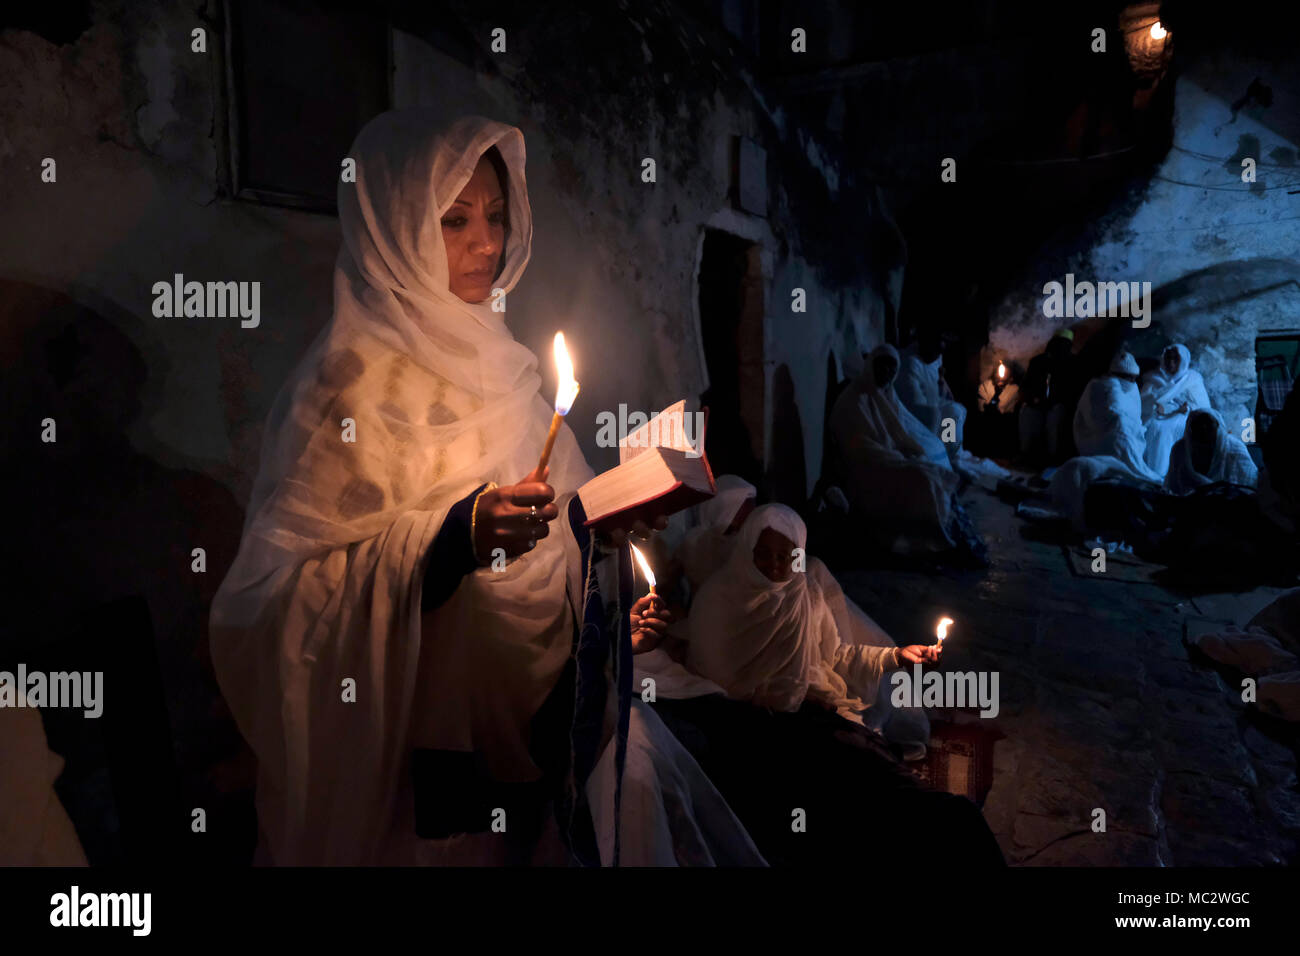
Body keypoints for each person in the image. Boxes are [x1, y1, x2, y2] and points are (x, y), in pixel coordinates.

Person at [208, 112, 754, 867]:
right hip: (411, 790)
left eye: (497, 216)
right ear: (393, 226)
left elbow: (565, 516)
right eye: (455, 219)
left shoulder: (504, 367)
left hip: (536, 735)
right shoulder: (346, 390)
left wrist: (613, 525)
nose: (487, 243)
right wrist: (450, 542)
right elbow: (272, 613)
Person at [639, 504, 1004, 866]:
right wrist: (768, 700)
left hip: (812, 717)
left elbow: (836, 657)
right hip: (755, 732)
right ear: (746, 548)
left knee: (904, 795)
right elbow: (714, 685)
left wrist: (896, 657)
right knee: (836, 800)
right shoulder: (718, 600)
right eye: (763, 554)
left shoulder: (805, 595)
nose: (775, 566)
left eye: (786, 556)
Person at [829, 345, 985, 560]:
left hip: (890, 459)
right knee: (923, 478)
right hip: (869, 468)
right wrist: (898, 459)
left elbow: (900, 432)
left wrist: (913, 452)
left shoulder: (887, 395)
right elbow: (859, 447)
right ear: (871, 366)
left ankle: (946, 538)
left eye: (892, 369)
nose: (887, 373)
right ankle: (928, 544)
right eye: (882, 367)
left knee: (933, 471)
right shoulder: (855, 399)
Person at [1073, 350, 1162, 483]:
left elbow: (1134, 414)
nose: (1131, 381)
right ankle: (1132, 471)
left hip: (1126, 432)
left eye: (1133, 377)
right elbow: (1102, 415)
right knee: (1120, 429)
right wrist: (1123, 423)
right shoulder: (1100, 385)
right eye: (1127, 377)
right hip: (1097, 435)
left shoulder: (1131, 386)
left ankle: (1134, 468)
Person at [1141, 344, 1210, 477]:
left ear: (1183, 360)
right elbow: (1143, 401)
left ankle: (1163, 472)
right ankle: (1151, 471)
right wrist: (1156, 406)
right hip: (1156, 415)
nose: (1171, 362)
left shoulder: (1192, 379)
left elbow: (1203, 406)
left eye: (1175, 359)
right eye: (1168, 358)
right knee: (1153, 425)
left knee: (1165, 428)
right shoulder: (1153, 378)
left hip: (1184, 416)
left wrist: (1185, 408)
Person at [897, 329, 966, 463]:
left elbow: (939, 373)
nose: (938, 355)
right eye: (936, 350)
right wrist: (932, 412)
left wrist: (943, 384)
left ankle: (950, 452)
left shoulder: (937, 355)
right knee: (934, 415)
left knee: (953, 410)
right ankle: (936, 453)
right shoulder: (910, 363)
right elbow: (912, 403)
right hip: (914, 414)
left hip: (933, 403)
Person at [1017, 329, 1079, 464]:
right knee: (1027, 412)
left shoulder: (1074, 364)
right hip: (1038, 403)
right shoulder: (1038, 362)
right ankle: (1025, 453)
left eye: (1064, 344)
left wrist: (1056, 401)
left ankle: (1053, 457)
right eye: (1057, 343)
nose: (1059, 348)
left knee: (1056, 416)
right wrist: (1033, 399)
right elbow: (1026, 386)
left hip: (1059, 405)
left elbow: (1073, 391)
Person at [1165, 410, 1257, 495]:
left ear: (1217, 425)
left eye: (1208, 423)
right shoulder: (1180, 449)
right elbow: (1173, 487)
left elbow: (1249, 486)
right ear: (1190, 427)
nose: (1204, 428)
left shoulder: (1234, 449)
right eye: (1198, 424)